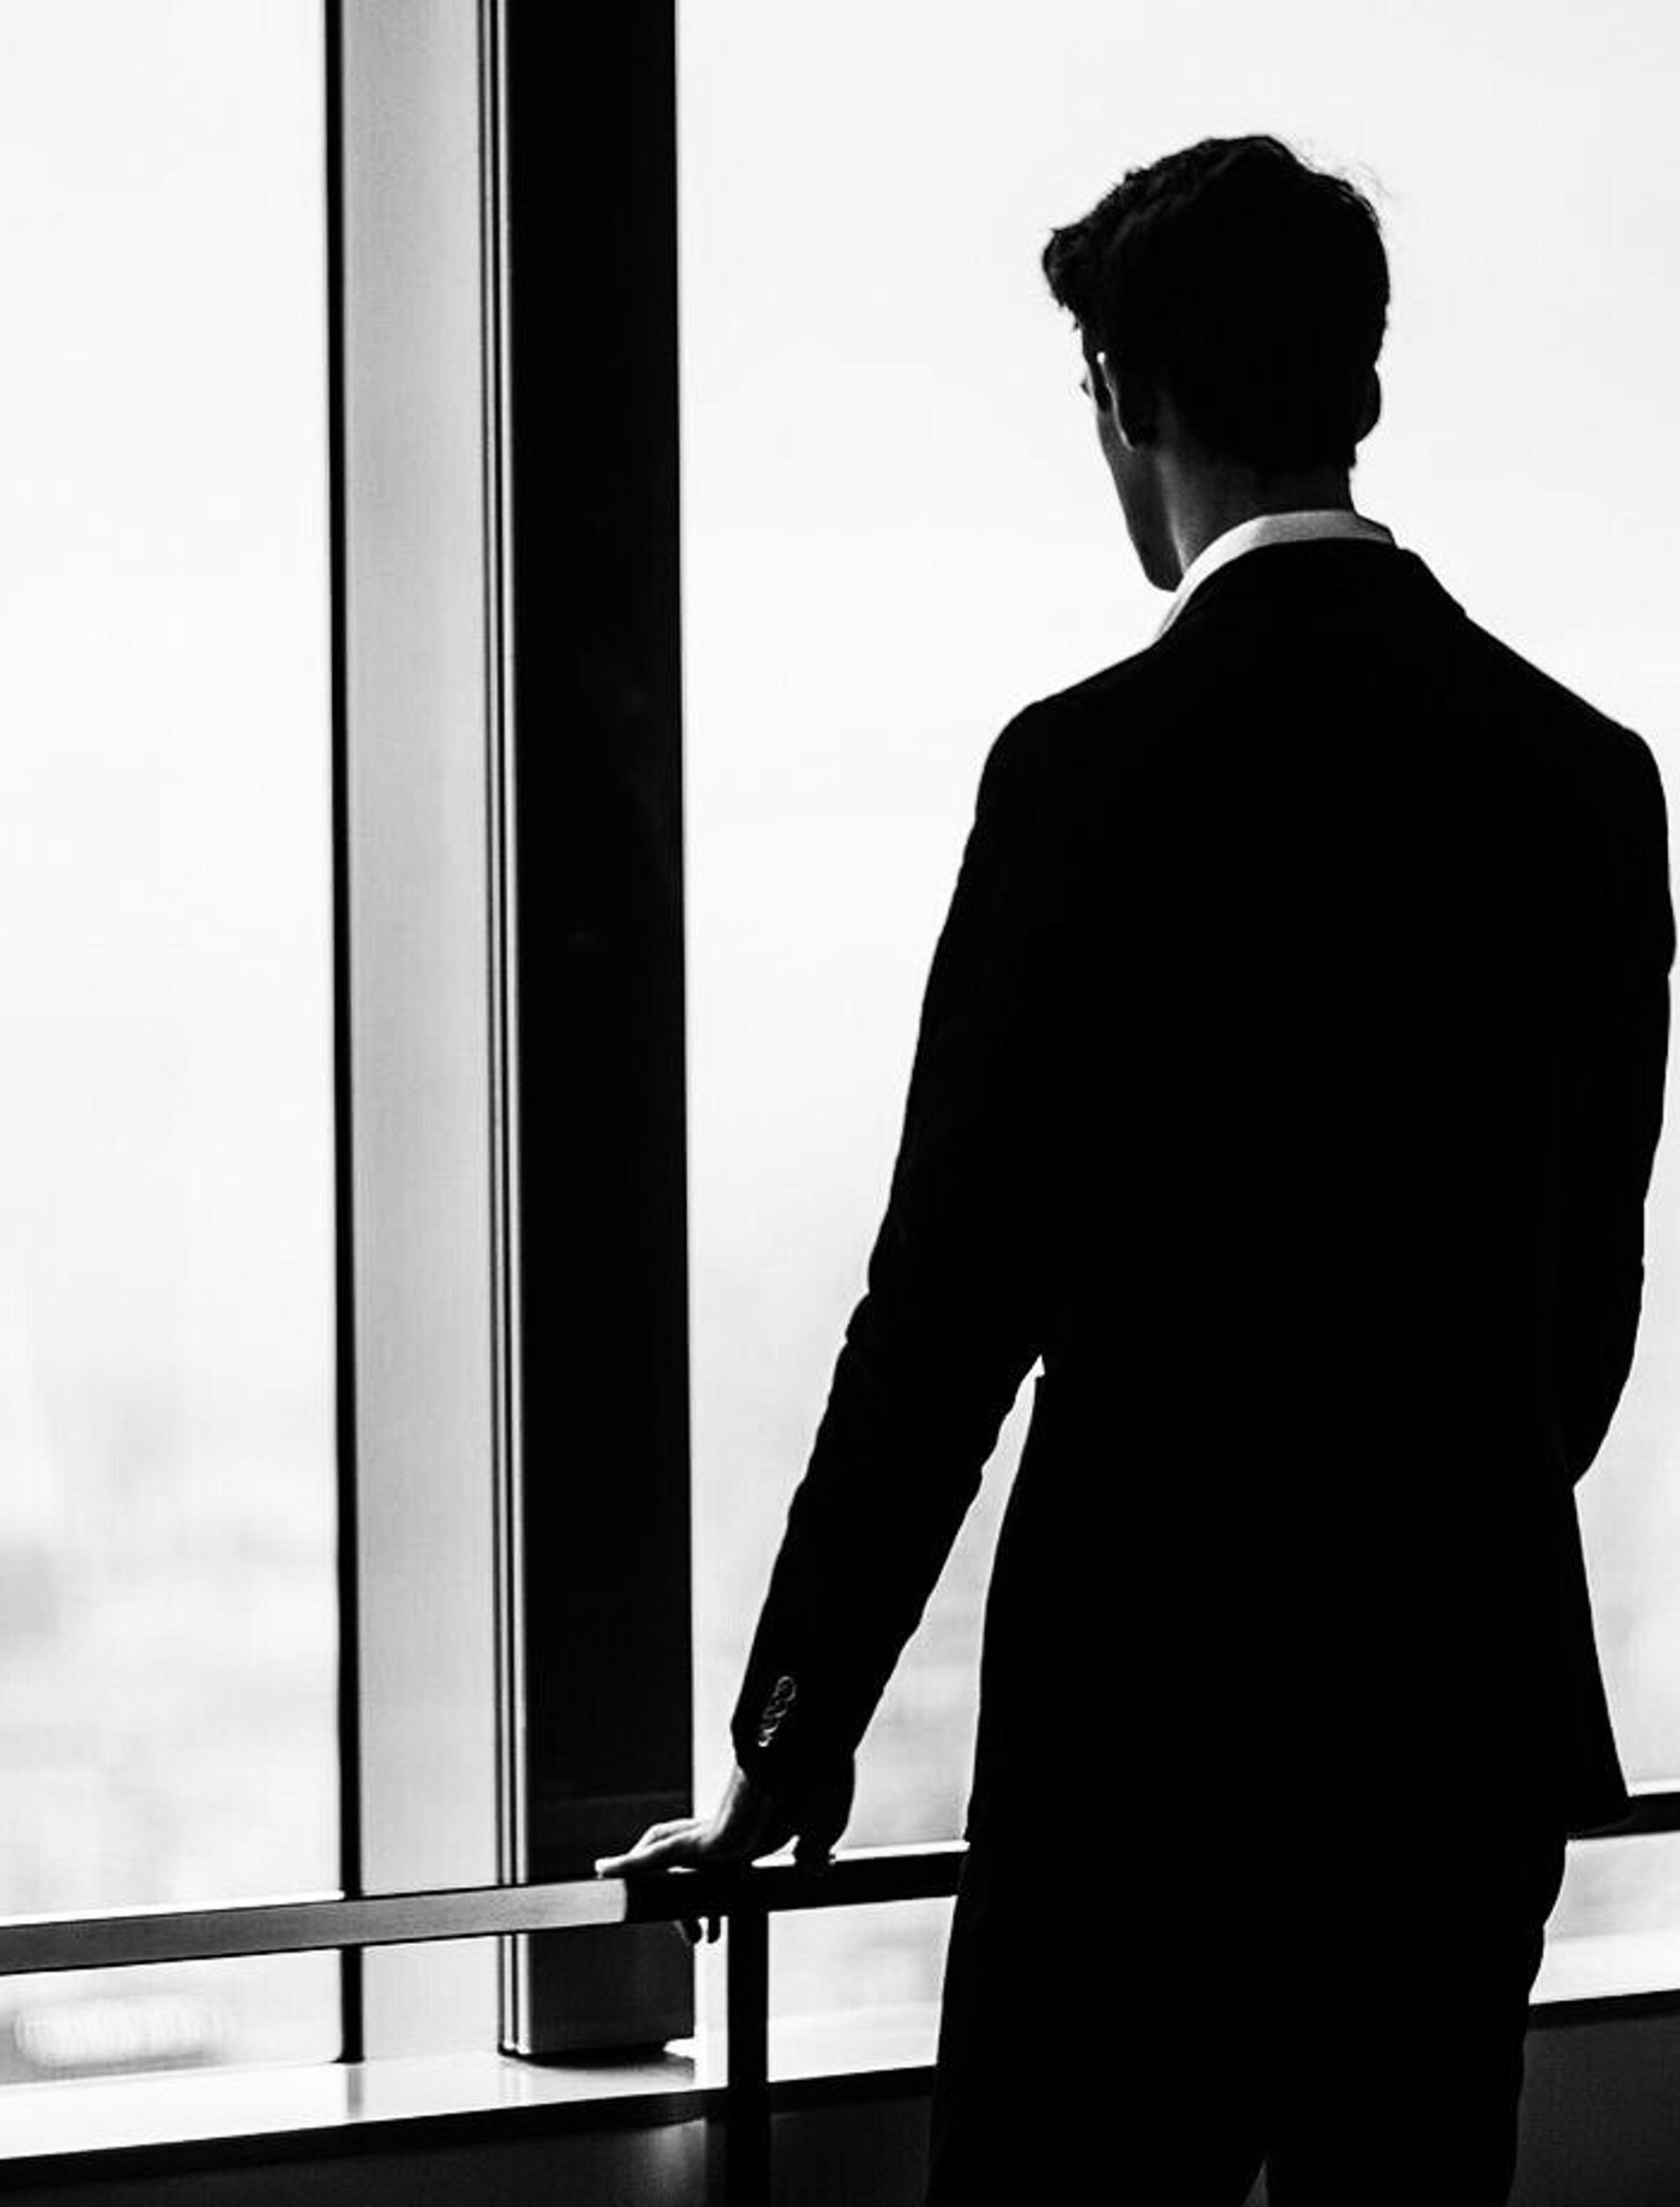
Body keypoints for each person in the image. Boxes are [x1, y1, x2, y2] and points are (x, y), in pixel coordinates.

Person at [598, 133, 1673, 2203]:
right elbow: (1583, 1327)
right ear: (1355, 386)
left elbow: (945, 1316)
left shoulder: (1087, 773)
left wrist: (789, 1737)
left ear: (1132, 400)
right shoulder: (1584, 777)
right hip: (1458, 1741)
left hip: (1146, 1759)